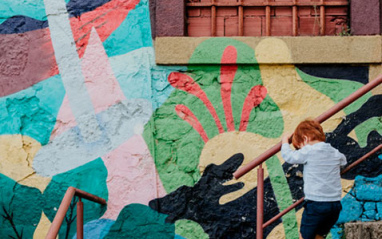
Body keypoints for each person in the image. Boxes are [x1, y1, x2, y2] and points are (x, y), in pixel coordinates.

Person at [281, 120, 347, 239]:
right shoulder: (334, 151)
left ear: (305, 139)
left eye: (299, 147)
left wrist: (285, 141)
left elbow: (289, 156)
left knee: (304, 236)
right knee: (319, 235)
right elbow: (343, 161)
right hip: (334, 205)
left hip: (316, 204)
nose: (300, 150)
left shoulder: (309, 151)